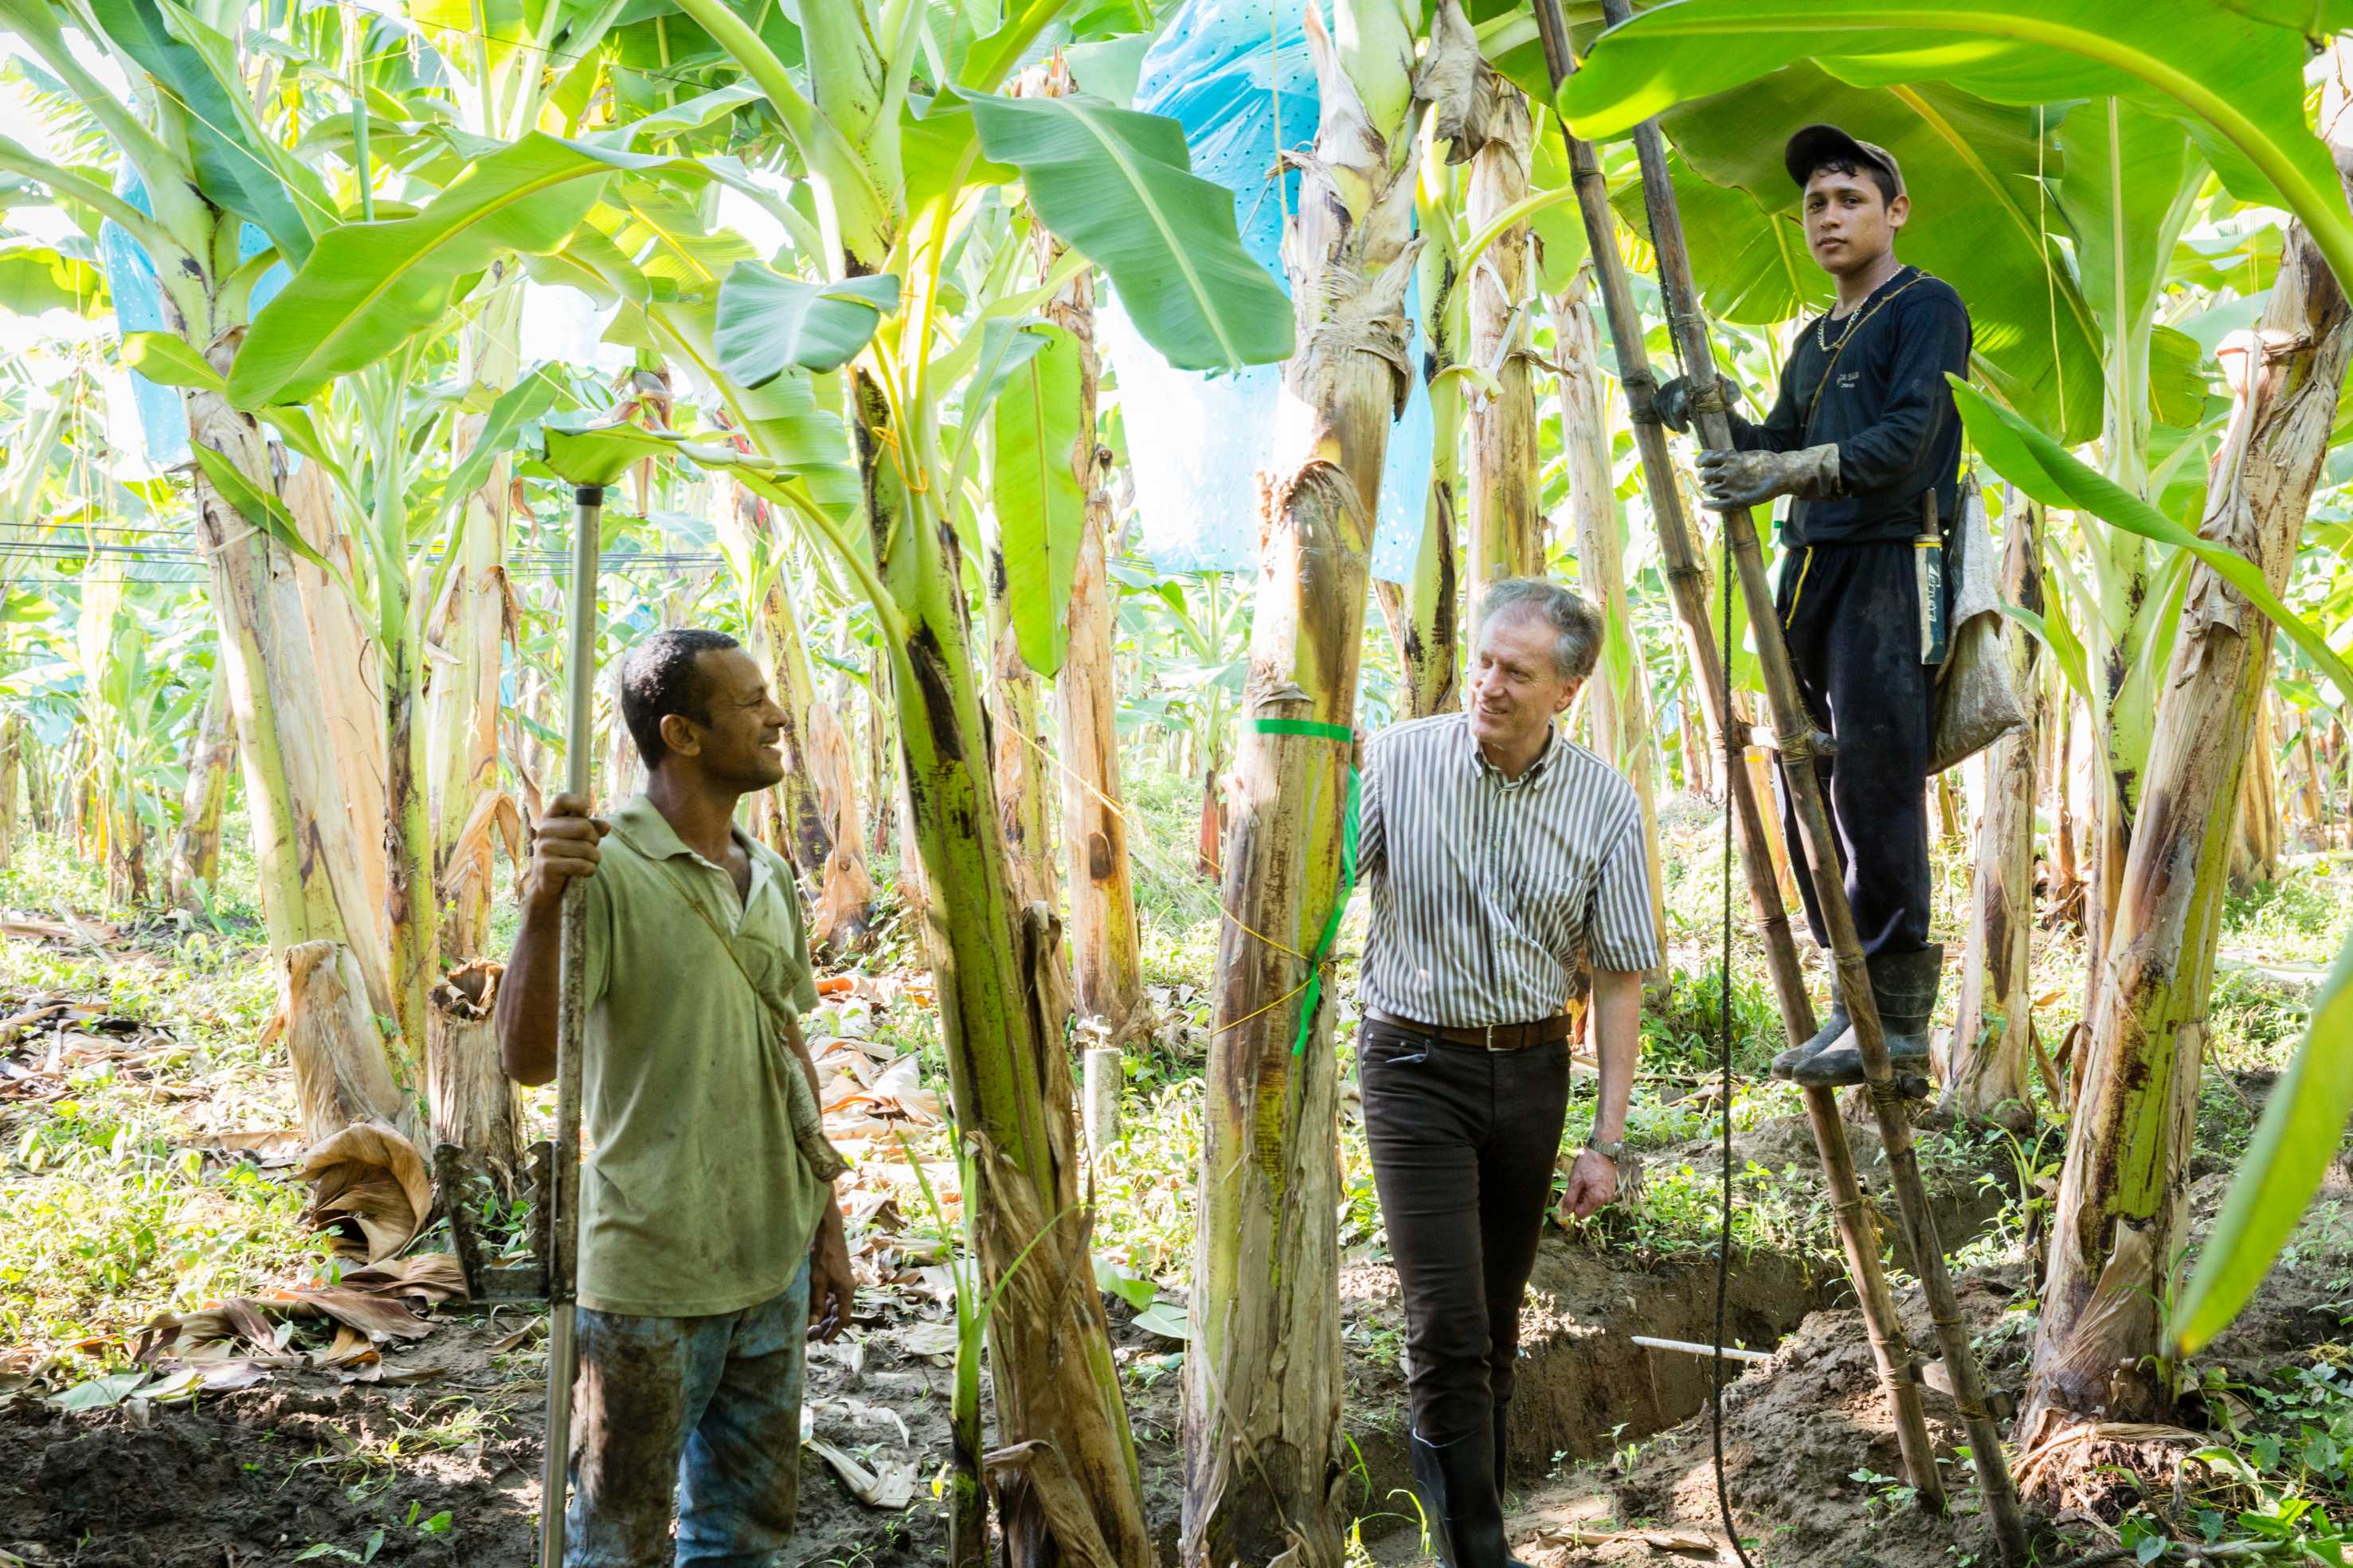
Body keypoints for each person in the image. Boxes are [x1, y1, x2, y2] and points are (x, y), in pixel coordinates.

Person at [498, 628, 855, 1568]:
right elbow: (527, 1059)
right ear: (682, 734)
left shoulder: (769, 872)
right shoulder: (604, 867)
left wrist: (825, 1220)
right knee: (617, 1543)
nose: (777, 716)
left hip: (766, 1261)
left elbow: (785, 1044)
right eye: (751, 702)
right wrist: (540, 903)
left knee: (743, 1533)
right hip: (649, 1276)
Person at [1653, 124, 1974, 1088]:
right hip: (1812, 569)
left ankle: (1904, 1027)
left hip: (1892, 560)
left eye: (1849, 200)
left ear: (1894, 212)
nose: (1829, 217)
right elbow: (1775, 439)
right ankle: (1851, 1005)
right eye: (1815, 205)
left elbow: (1908, 442)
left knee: (1875, 778)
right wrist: (1705, 411)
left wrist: (1782, 467)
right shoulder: (1813, 339)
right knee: (1814, 791)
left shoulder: (1926, 309)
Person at [1355, 578, 1657, 1568]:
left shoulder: (1604, 803)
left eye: (1515, 672)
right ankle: (1475, 1555)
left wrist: (1605, 1142)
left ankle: (1469, 1535)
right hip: (1411, 1066)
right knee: (1443, 1324)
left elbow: (1616, 978)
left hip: (1530, 1075)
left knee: (1491, 1326)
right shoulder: (1396, 762)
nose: (1486, 684)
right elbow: (1308, 886)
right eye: (1482, 660)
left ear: (1565, 690)